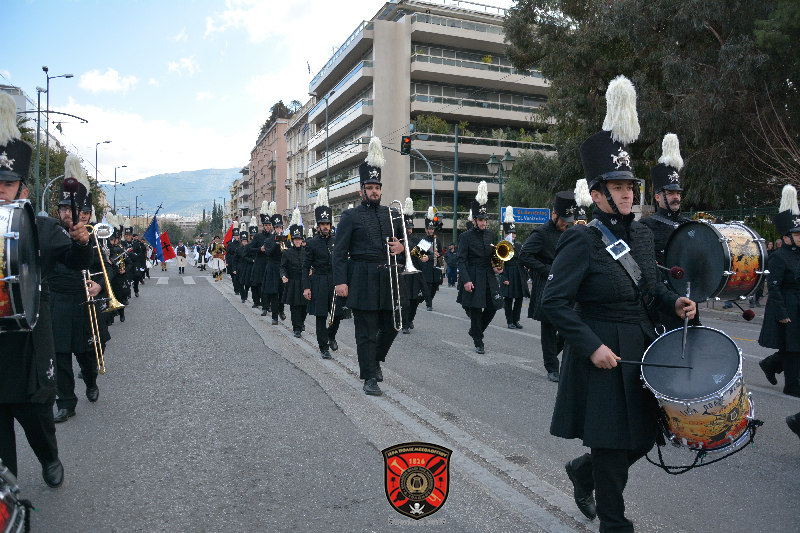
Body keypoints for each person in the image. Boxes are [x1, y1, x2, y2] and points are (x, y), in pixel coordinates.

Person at [541, 76, 695, 532]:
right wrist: (591, 346)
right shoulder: (581, 240)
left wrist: (675, 303)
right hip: (603, 351)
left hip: (640, 348)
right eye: (617, 186)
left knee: (643, 437)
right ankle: (614, 523)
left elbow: (651, 289)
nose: (628, 193)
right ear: (597, 194)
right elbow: (554, 302)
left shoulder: (643, 234)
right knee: (610, 448)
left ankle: (582, 472)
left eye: (630, 185)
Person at [0, 93, 93, 487]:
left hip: (27, 340)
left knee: (36, 415)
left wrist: (81, 242)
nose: (1, 190)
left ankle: (49, 457)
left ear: (23, 188)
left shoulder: (42, 227)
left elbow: (74, 261)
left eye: (7, 183)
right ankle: (8, 495)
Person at [332, 137, 406, 396]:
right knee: (365, 331)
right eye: (370, 187)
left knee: (393, 325)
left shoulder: (392, 214)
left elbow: (405, 244)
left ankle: (375, 360)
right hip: (362, 277)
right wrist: (340, 281)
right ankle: (369, 377)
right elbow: (339, 252)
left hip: (388, 278)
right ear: (361, 190)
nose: (374, 191)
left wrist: (402, 248)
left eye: (377, 187)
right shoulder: (349, 216)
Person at [50, 156, 111, 423]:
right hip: (56, 302)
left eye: (73, 209)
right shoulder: (50, 233)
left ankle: (90, 380)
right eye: (64, 208)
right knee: (60, 357)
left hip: (84, 301)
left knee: (87, 354)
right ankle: (66, 403)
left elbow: (106, 270)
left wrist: (100, 285)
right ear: (58, 211)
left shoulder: (92, 237)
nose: (69, 213)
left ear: (85, 213)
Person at [639, 133, 699, 331]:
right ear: (658, 197)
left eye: (678, 193)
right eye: (670, 193)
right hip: (661, 302)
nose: (676, 197)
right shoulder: (646, 225)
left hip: (688, 298)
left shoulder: (689, 225)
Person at [520, 191, 578, 382]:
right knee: (548, 327)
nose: (565, 223)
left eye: (568, 220)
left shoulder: (570, 231)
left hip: (567, 284)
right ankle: (552, 367)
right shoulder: (540, 233)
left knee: (569, 324)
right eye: (563, 220)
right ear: (554, 214)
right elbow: (524, 256)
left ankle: (552, 353)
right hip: (547, 283)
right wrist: (548, 270)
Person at [757, 184, 800, 398]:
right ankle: (791, 385)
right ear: (785, 237)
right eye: (797, 234)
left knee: (795, 346)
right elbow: (773, 287)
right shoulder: (778, 257)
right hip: (787, 305)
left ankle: (771, 364)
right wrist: (781, 313)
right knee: (792, 347)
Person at [457, 181, 503, 354]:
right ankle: (479, 342)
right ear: (474, 220)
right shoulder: (465, 236)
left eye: (485, 220)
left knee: (493, 306)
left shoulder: (491, 234)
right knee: (475, 310)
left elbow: (494, 254)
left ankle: (475, 330)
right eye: (481, 220)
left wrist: (497, 266)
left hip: (489, 275)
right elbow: (461, 260)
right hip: (473, 274)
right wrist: (466, 280)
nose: (484, 223)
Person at [303, 189, 343, 358]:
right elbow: (305, 266)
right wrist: (306, 287)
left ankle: (331, 335)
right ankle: (323, 347)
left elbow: (342, 262)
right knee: (320, 316)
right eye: (323, 224)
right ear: (318, 226)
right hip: (318, 281)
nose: (325, 226)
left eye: (327, 224)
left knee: (337, 314)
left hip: (334, 280)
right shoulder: (312, 243)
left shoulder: (337, 241)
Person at [499, 206, 530, 329]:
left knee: (519, 299)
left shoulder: (518, 245)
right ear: (506, 234)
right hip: (508, 272)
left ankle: (516, 320)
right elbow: (501, 263)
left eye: (513, 233)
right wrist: (504, 277)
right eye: (509, 233)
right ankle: (510, 321)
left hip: (518, 273)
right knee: (508, 300)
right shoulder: (502, 246)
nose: (512, 235)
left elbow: (522, 258)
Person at [400, 198, 426, 334]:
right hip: (403, 271)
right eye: (407, 228)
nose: (409, 230)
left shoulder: (417, 239)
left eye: (410, 228)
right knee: (405, 299)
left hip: (416, 272)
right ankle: (404, 323)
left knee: (416, 299)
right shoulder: (399, 239)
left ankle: (410, 319)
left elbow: (427, 252)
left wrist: (427, 257)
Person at [282, 212, 307, 337]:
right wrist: (283, 275)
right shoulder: (287, 253)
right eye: (296, 239)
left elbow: (311, 264)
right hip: (293, 281)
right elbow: (283, 267)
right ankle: (296, 328)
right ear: (292, 240)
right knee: (295, 306)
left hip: (305, 282)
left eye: (299, 239)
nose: (298, 241)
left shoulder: (306, 252)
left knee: (304, 307)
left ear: (302, 240)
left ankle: (301, 322)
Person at [244, 202, 273, 310]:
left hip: (269, 263)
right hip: (260, 263)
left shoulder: (273, 236)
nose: (267, 227)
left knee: (269, 285)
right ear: (262, 226)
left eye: (269, 225)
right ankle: (263, 305)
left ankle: (268, 304)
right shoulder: (257, 236)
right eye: (266, 225)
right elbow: (250, 249)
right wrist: (259, 250)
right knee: (260, 286)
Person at [262, 211, 286, 323]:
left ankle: (281, 310)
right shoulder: (268, 240)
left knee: (282, 292)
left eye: (280, 228)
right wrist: (276, 244)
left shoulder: (286, 240)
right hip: (272, 268)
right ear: (274, 229)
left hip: (282, 268)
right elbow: (268, 253)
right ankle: (274, 317)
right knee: (273, 293)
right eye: (277, 228)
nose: (279, 230)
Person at [419, 207, 444, 311]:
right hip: (427, 266)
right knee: (427, 285)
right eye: (429, 229)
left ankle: (428, 299)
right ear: (426, 230)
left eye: (432, 229)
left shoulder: (437, 240)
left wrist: (438, 254)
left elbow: (441, 252)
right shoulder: (424, 240)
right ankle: (429, 304)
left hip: (435, 266)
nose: (431, 231)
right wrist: (430, 256)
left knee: (435, 285)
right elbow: (420, 254)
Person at [236, 230, 252, 303]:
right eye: (243, 241)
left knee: (247, 283)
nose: (244, 242)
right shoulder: (238, 249)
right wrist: (234, 269)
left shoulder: (250, 249)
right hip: (241, 267)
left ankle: (246, 292)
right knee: (241, 282)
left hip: (248, 267)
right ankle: (243, 296)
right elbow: (235, 259)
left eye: (245, 241)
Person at [226, 226, 241, 293]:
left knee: (239, 275)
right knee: (234, 276)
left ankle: (240, 288)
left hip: (239, 261)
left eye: (237, 235)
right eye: (235, 236)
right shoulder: (230, 244)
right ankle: (236, 289)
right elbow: (227, 254)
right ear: (233, 236)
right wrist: (227, 262)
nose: (236, 237)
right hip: (232, 261)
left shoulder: (240, 244)